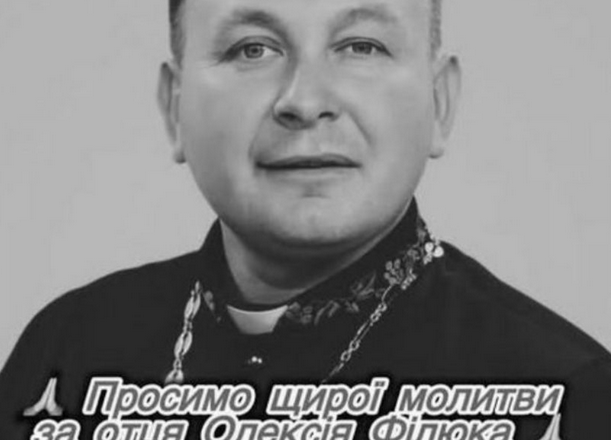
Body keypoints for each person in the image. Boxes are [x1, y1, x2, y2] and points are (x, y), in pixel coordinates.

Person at [1, 0, 610, 438]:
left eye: (362, 46)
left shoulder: (566, 394)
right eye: (253, 49)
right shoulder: (65, 354)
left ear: (440, 102)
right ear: (174, 106)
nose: (306, 100)